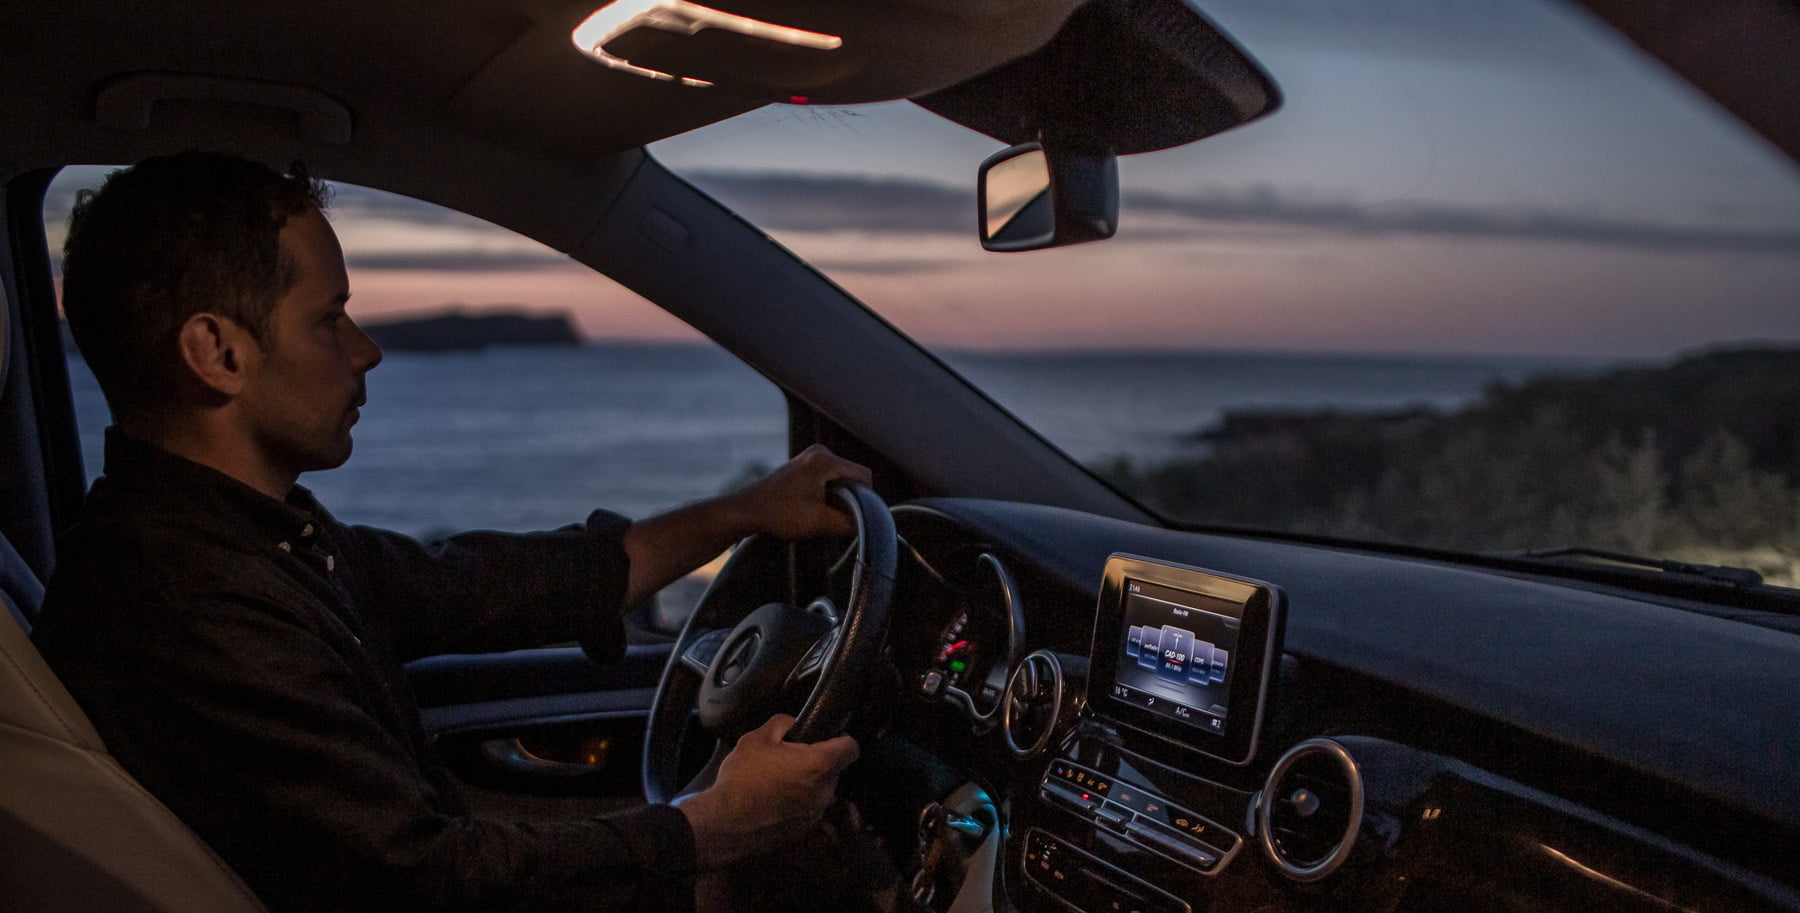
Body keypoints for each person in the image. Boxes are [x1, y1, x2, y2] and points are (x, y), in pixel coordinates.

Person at [32, 151, 867, 913]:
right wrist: (713, 826)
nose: (366, 352)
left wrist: (743, 510)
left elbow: (472, 581)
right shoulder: (188, 602)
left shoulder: (236, 535)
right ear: (218, 352)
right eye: (330, 320)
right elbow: (423, 881)